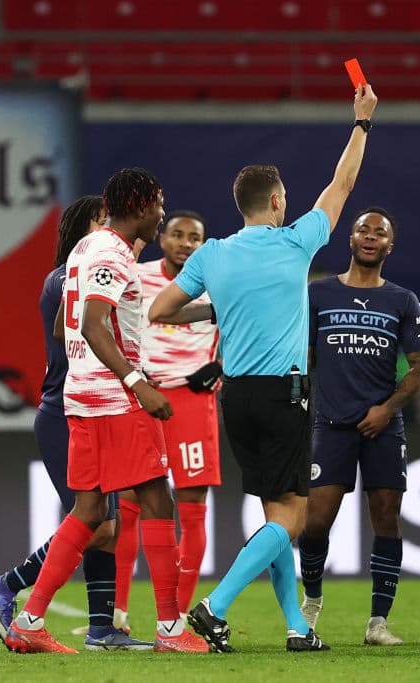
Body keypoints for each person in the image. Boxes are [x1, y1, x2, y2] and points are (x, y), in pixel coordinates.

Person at [149, 84, 379, 653]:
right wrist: (361, 123)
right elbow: (342, 184)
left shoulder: (213, 254)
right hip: (284, 395)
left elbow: (160, 311)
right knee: (292, 520)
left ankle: (298, 628)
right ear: (276, 202)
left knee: (275, 517)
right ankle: (214, 606)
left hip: (235, 397)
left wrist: (216, 309)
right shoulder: (295, 242)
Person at [4, 168, 207, 654]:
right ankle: (170, 630)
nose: (161, 214)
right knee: (158, 500)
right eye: (159, 205)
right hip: (118, 400)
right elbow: (94, 324)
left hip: (80, 397)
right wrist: (137, 382)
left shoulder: (84, 248)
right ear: (140, 206)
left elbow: (64, 325)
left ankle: (29, 621)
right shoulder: (114, 253)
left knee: (90, 509)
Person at [0, 197, 152, 652]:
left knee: (106, 525)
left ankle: (101, 630)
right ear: (84, 228)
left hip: (88, 408)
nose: (110, 228)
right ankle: (7, 585)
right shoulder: (65, 277)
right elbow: (77, 327)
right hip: (65, 412)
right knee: (95, 522)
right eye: (102, 221)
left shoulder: (81, 273)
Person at [298, 206, 420, 646]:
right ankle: (311, 602)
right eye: (363, 230)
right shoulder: (318, 294)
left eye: (380, 232)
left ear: (390, 246)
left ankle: (378, 622)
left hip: (383, 426)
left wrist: (387, 409)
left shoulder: (403, 300)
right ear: (350, 239)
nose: (371, 236)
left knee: (387, 519)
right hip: (331, 424)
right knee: (315, 522)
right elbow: (304, 358)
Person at [113, 210, 223, 632]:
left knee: (192, 512)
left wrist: (223, 367)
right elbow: (112, 323)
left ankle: (175, 616)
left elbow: (247, 326)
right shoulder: (138, 276)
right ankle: (118, 614)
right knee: (128, 506)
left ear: (203, 245)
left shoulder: (217, 285)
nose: (185, 243)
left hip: (192, 402)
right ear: (162, 238)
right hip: (143, 397)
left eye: (194, 237)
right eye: (177, 234)